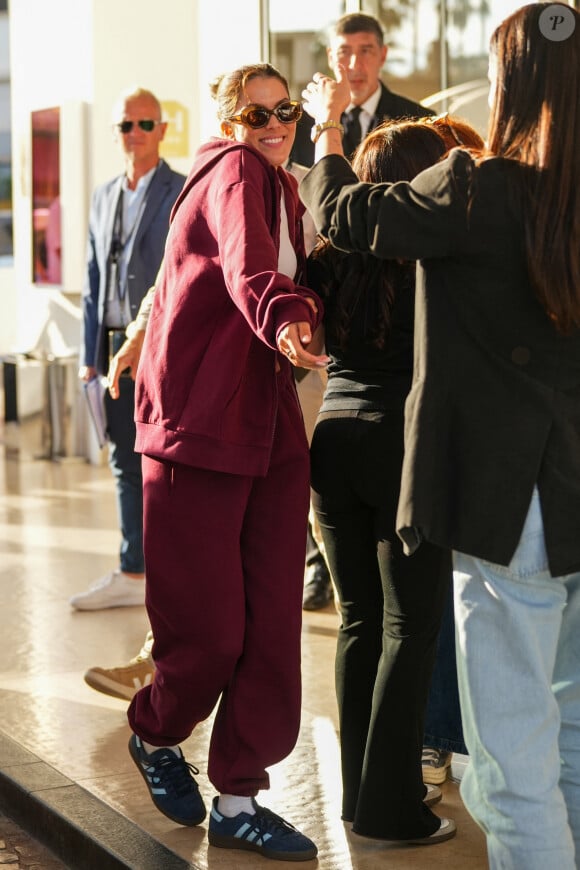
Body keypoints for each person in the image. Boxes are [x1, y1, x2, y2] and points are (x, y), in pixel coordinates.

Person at [299, 3, 580, 867]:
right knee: (568, 729)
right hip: (570, 498)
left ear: (513, 85)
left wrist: (329, 135)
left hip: (503, 507)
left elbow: (345, 214)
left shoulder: (476, 186)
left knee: (507, 756)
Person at [126, 63, 326, 862]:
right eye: (256, 111)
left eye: (284, 111)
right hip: (199, 427)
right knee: (208, 631)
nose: (274, 122)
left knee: (272, 627)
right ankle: (156, 732)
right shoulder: (236, 168)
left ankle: (238, 799)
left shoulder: (284, 182)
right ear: (225, 118)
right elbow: (251, 273)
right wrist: (286, 318)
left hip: (268, 424)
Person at [307, 119, 457, 845]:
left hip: (332, 442)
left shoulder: (332, 250)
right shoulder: (433, 254)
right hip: (404, 447)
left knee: (360, 621)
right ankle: (392, 808)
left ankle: (357, 798)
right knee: (411, 627)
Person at [72, 86, 185, 612]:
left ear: (162, 131)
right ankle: (131, 568)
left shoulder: (182, 190)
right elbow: (93, 278)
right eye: (125, 125)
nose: (135, 134)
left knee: (164, 463)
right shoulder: (102, 196)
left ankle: (169, 573)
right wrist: (88, 354)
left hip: (161, 348)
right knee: (122, 462)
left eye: (145, 124)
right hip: (112, 344)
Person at [291, 11, 433, 168]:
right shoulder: (299, 125)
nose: (354, 65)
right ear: (331, 57)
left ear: (383, 55)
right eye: (344, 52)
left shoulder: (419, 121)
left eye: (365, 51)